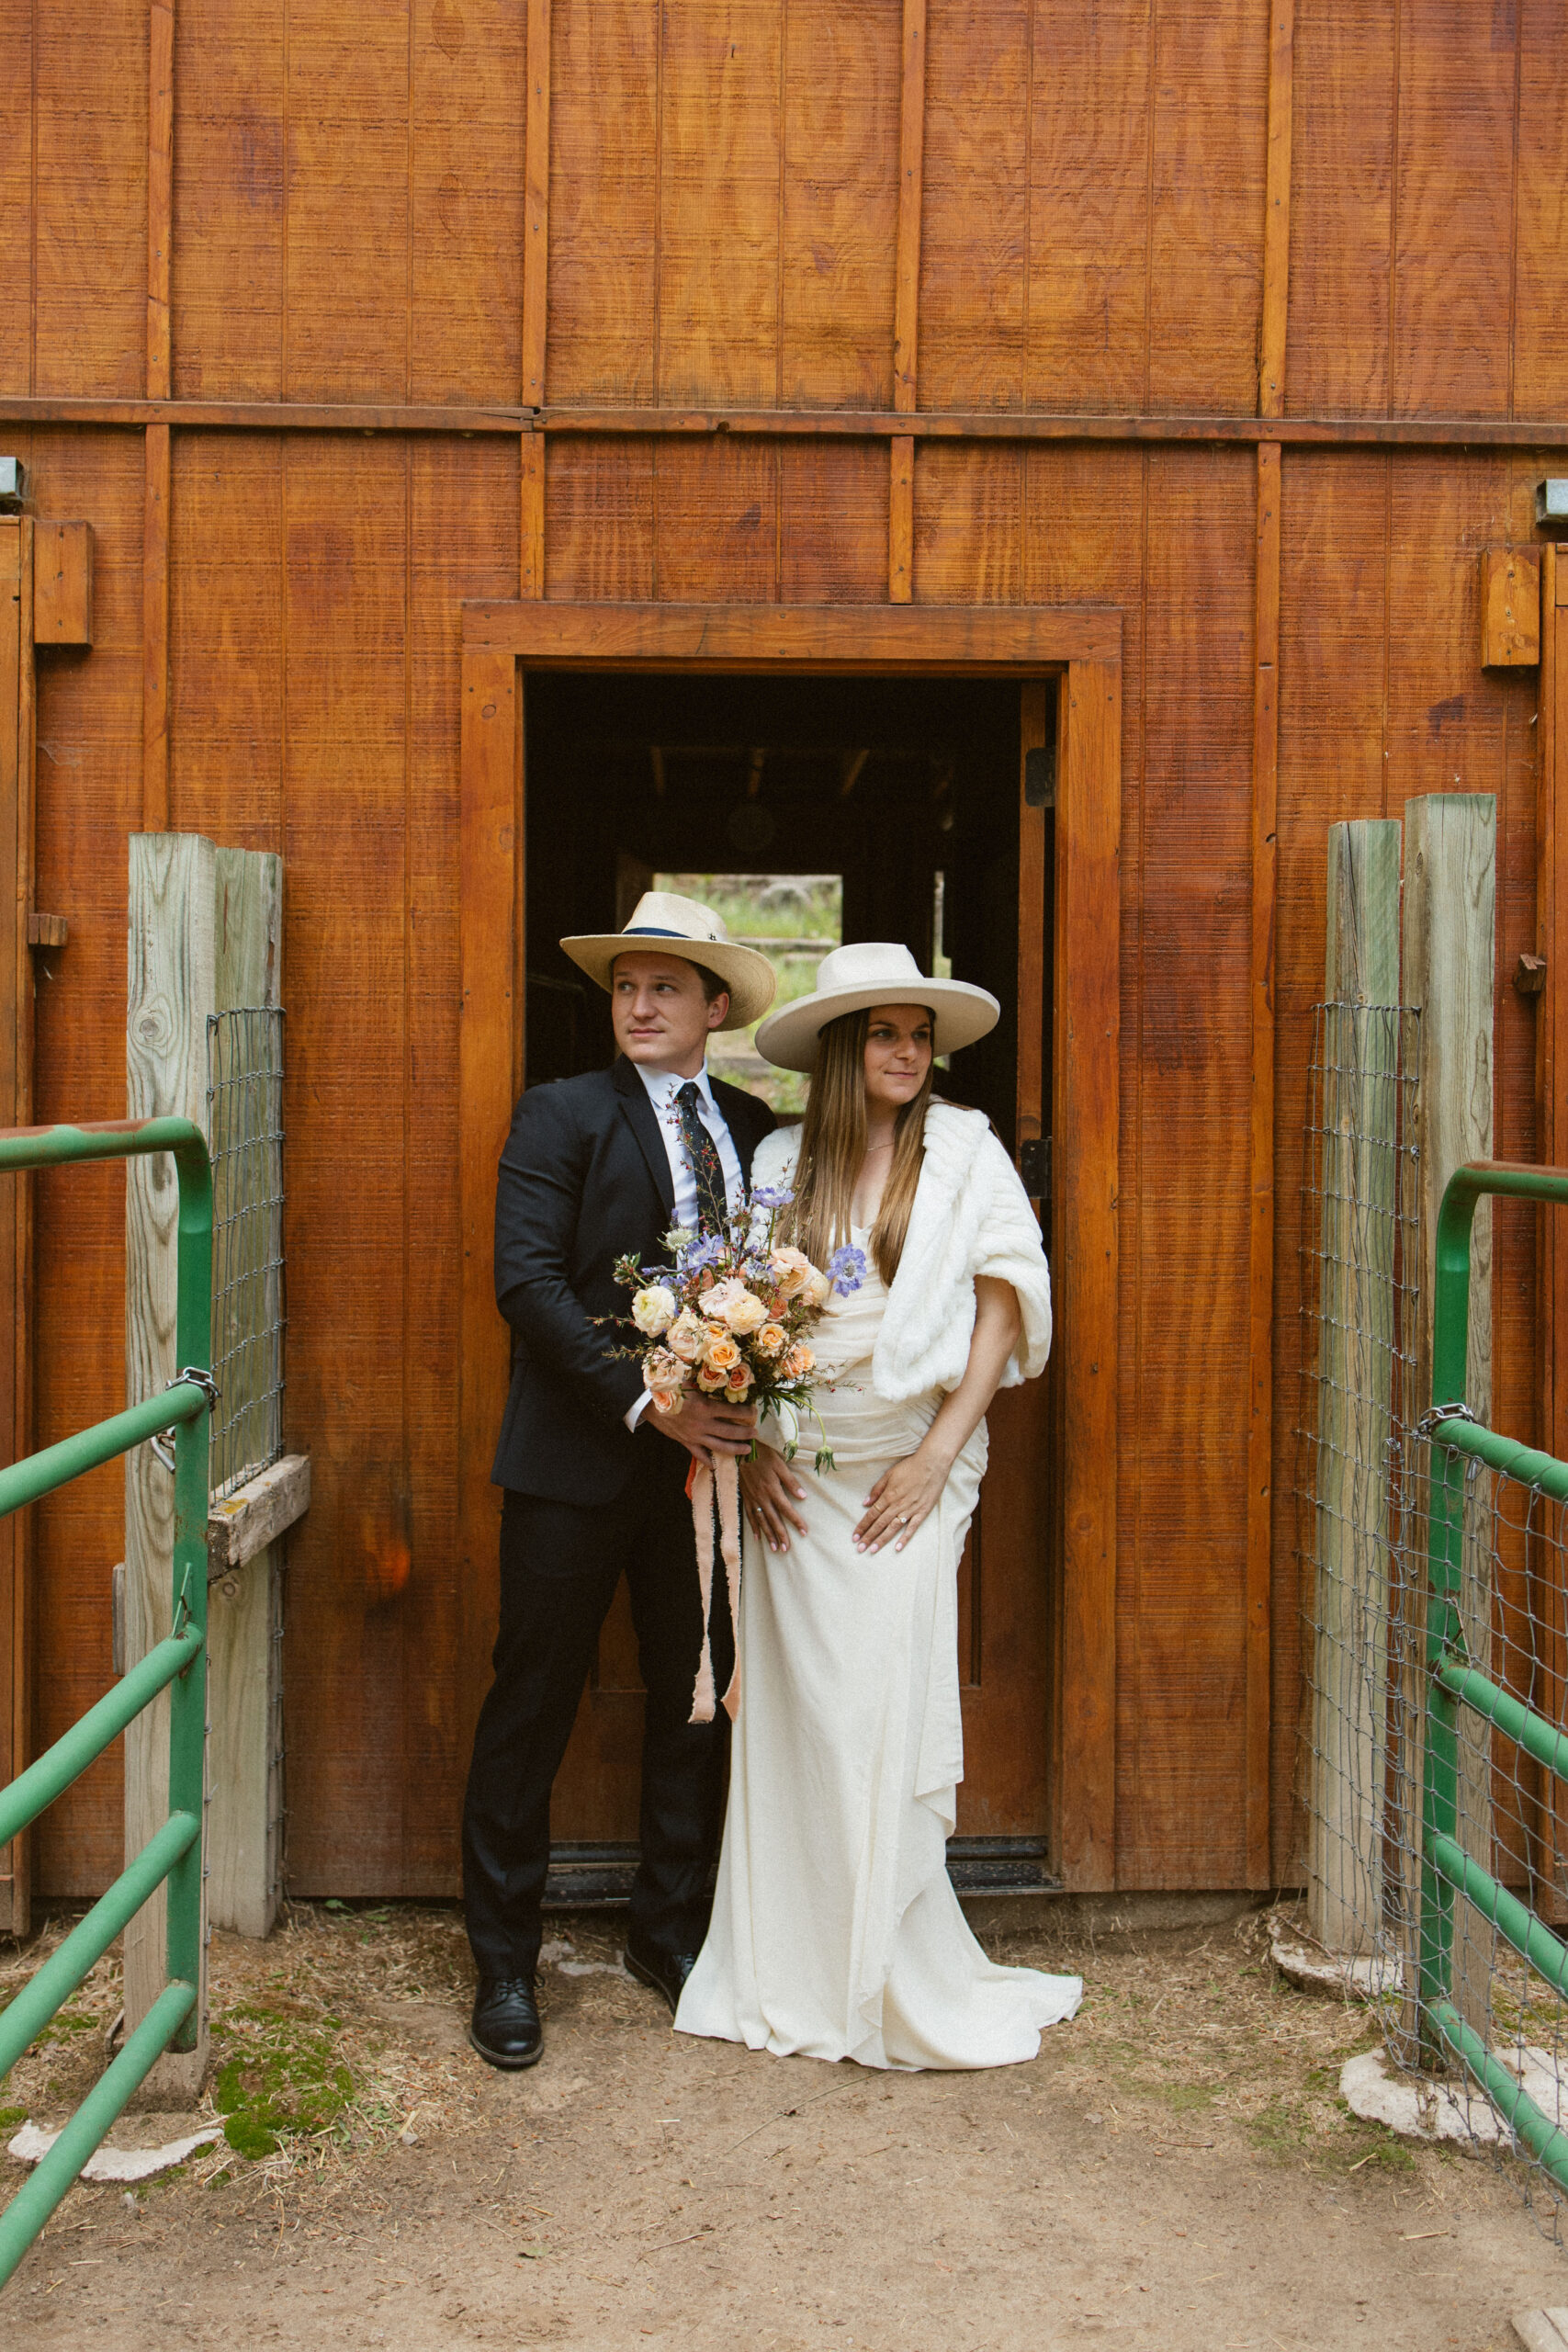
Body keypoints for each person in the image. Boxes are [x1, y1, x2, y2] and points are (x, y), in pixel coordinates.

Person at [675, 939, 1083, 2070]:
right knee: (804, 1722)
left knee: (883, 1704)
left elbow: (1007, 1300)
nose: (909, 1053)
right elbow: (743, 1315)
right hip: (796, 1476)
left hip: (909, 1466)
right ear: (846, 1050)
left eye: (922, 1035)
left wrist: (936, 1452)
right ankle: (797, 1964)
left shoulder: (962, 1149)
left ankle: (892, 1969)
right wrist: (751, 1447)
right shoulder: (780, 1161)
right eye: (887, 1035)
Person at [461, 890, 777, 2070]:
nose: (639, 1006)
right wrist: (651, 1400)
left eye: (665, 987)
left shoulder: (750, 1123)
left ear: (716, 1006)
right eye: (625, 987)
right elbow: (527, 1281)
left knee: (698, 1701)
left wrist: (748, 1395)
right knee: (530, 1704)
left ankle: (667, 1934)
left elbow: (776, 1276)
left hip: (709, 1480)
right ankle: (505, 1963)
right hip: (574, 1462)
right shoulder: (561, 1114)